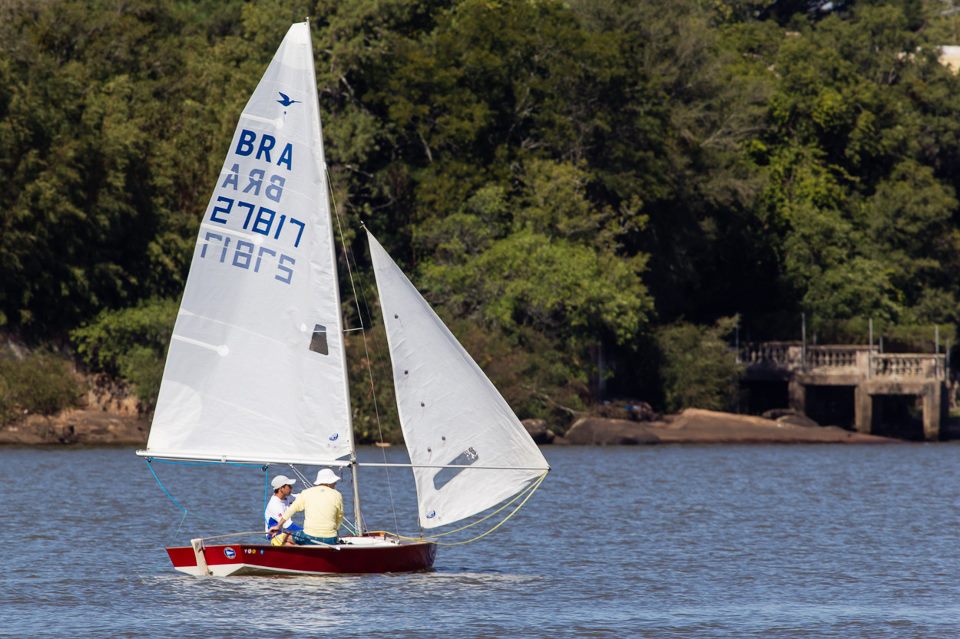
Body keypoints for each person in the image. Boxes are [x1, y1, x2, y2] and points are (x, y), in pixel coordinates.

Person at [269, 468, 343, 545]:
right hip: (331, 539)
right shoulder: (337, 495)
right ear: (329, 483)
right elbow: (340, 516)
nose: (335, 483)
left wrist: (278, 526)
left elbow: (291, 510)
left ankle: (300, 551)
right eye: (334, 481)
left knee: (282, 537)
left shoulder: (306, 493)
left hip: (309, 537)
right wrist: (335, 530)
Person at [264, 475, 302, 546]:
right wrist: (306, 533)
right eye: (289, 486)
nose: (291, 488)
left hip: (285, 534)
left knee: (302, 540)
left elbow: (301, 497)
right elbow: (288, 526)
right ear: (281, 488)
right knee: (302, 539)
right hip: (275, 537)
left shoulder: (286, 497)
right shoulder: (275, 505)